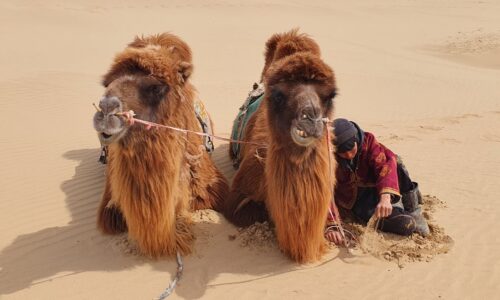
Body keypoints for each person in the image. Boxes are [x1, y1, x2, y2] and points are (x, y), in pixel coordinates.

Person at [325, 118, 429, 245]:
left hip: (378, 188)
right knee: (406, 225)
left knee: (396, 162)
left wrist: (385, 197)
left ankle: (414, 210)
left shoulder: (369, 142)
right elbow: (324, 190)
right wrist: (333, 225)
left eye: (351, 149)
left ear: (356, 140)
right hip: (357, 201)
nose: (348, 155)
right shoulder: (328, 157)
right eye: (342, 153)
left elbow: (385, 165)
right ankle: (399, 213)